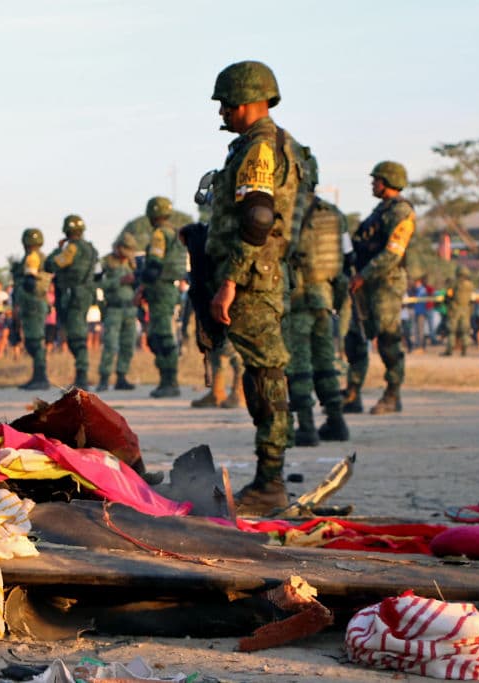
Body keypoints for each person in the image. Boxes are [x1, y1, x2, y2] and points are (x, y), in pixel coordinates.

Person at [203, 60, 302, 514]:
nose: (221, 111)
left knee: (265, 376)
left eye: (226, 103)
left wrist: (229, 282)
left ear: (247, 101)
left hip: (249, 279)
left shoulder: (260, 148)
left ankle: (270, 482)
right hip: (262, 274)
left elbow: (259, 219)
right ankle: (270, 477)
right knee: (263, 373)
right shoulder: (281, 145)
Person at [343, 161, 416, 415]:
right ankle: (352, 393)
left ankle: (392, 394)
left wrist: (364, 275)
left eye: (377, 180)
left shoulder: (401, 212)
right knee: (355, 338)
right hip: (365, 284)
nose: (373, 184)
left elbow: (393, 253)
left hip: (386, 284)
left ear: (388, 182)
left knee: (387, 339)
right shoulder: (380, 210)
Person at [286, 160, 350, 445]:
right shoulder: (334, 214)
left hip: (297, 296)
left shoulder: (288, 212)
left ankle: (307, 426)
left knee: (298, 363)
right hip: (324, 297)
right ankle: (336, 420)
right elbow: (347, 257)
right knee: (325, 360)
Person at [137, 197, 186, 397]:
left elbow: (154, 266)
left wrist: (141, 283)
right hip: (168, 289)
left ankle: (170, 381)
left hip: (160, 290)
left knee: (162, 336)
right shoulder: (174, 234)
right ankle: (167, 380)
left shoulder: (159, 235)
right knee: (160, 336)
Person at [45, 215, 98, 389]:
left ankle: (81, 377)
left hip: (73, 294)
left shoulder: (72, 249)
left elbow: (51, 265)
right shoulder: (90, 249)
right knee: (77, 332)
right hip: (85, 293)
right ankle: (81, 375)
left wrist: (57, 249)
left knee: (76, 335)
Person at [95, 233, 137, 391]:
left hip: (130, 309)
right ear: (118, 247)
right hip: (113, 309)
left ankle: (122, 377)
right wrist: (118, 281)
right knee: (110, 345)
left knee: (128, 344)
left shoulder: (132, 263)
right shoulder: (106, 262)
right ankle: (104, 379)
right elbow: (97, 284)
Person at [13, 228, 52, 391]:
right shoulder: (40, 257)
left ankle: (41, 377)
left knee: (35, 341)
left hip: (32, 304)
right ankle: (37, 376)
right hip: (34, 304)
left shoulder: (33, 258)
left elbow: (29, 282)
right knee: (33, 340)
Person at [442, 265, 474, 356]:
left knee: (451, 330)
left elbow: (448, 295)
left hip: (454, 309)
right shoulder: (470, 285)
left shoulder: (454, 283)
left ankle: (450, 349)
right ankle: (464, 349)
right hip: (466, 309)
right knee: (465, 330)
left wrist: (446, 301)